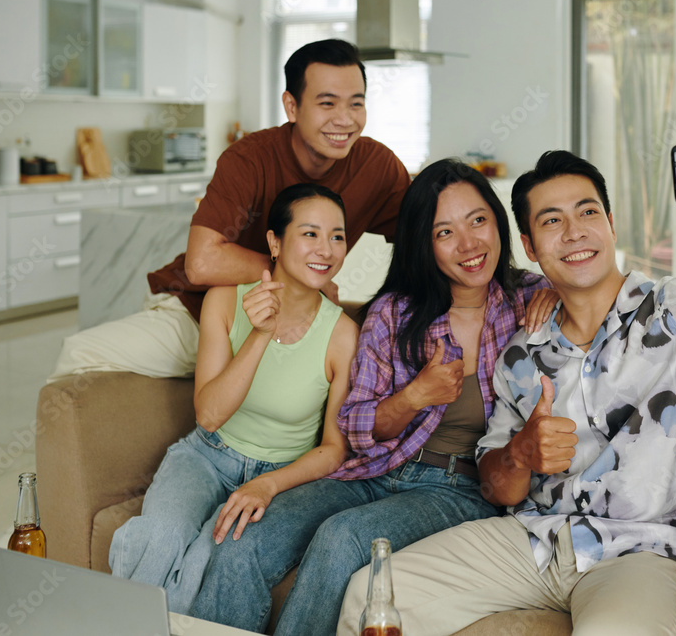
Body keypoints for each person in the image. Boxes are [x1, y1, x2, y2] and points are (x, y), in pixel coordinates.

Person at [338, 129, 676, 636]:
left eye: (587, 212)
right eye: (551, 221)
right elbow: (497, 488)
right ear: (528, 245)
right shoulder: (522, 352)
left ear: (610, 224)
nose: (573, 232)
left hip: (647, 549)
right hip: (535, 542)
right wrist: (521, 454)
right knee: (373, 592)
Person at [189, 159, 558, 634]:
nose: (469, 244)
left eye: (478, 221)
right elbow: (358, 427)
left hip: (459, 488)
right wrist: (414, 397)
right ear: (424, 244)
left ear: (498, 224)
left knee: (342, 538)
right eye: (444, 232)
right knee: (243, 535)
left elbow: (588, 286)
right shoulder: (393, 313)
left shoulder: (529, 300)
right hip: (374, 469)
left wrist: (553, 291)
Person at [48, 38, 410, 382]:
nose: (344, 120)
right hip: (199, 311)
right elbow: (202, 262)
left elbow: (420, 238)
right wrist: (298, 275)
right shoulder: (250, 158)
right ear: (292, 106)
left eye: (356, 103)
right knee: (76, 354)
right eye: (327, 103)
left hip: (292, 318)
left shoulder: (377, 167)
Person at [108, 183, 359, 614]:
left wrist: (266, 485)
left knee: (209, 560)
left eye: (337, 236)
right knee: (161, 537)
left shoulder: (343, 335)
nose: (327, 249)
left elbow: (334, 450)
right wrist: (260, 335)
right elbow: (208, 415)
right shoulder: (224, 301)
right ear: (274, 242)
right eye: (310, 233)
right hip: (205, 456)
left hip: (279, 475)